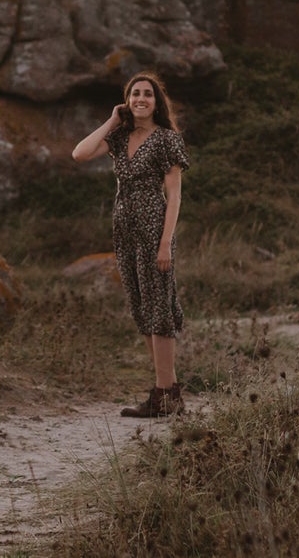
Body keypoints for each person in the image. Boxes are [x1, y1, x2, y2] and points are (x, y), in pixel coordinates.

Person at [72, 71, 191, 418]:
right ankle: (167, 395)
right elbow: (80, 153)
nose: (141, 99)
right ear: (127, 100)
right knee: (142, 309)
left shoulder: (167, 139)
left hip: (154, 228)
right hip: (124, 230)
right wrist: (111, 120)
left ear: (157, 102)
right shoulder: (120, 137)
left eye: (148, 94)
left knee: (160, 311)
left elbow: (175, 194)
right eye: (135, 93)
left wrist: (166, 242)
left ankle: (165, 395)